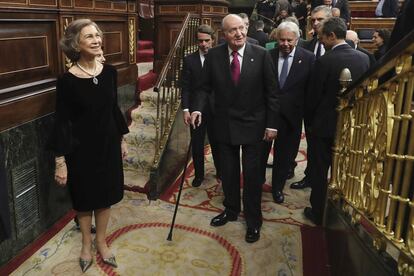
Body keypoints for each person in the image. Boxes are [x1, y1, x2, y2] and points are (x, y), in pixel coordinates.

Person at [190, 14, 280, 243]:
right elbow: (202, 88)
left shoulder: (261, 55)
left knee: (251, 177)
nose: (239, 34)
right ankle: (230, 209)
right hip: (224, 125)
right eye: (233, 30)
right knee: (228, 174)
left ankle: (253, 220)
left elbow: (272, 93)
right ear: (224, 34)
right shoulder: (214, 56)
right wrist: (198, 109)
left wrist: (271, 124)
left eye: (241, 28)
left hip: (254, 126)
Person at [50, 19, 129, 272]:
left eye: (97, 35)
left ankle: (101, 241)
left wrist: (122, 139)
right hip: (80, 150)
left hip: (107, 145)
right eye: (89, 37)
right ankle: (86, 243)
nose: (96, 40)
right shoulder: (67, 81)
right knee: (84, 199)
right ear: (76, 44)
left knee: (105, 196)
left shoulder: (110, 73)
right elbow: (62, 121)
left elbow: (113, 110)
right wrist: (60, 161)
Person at [304, 17, 369, 225]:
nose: (320, 41)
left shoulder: (325, 61)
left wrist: (310, 121)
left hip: (324, 127)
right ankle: (342, 211)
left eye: (322, 37)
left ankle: (318, 212)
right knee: (346, 170)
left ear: (332, 36)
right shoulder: (364, 58)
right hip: (352, 126)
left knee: (320, 170)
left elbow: (313, 96)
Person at [263, 22, 315, 204]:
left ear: (297, 39)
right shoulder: (267, 55)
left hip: (292, 117)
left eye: (289, 40)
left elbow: (310, 90)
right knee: (261, 153)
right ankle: (258, 182)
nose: (285, 43)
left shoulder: (308, 58)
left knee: (283, 157)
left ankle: (277, 187)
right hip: (267, 115)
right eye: (281, 39)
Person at [181, 24, 220, 187]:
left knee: (218, 143)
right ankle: (199, 174)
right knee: (197, 144)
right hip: (196, 111)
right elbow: (186, 87)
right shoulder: (189, 60)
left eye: (206, 41)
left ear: (213, 40)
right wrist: (185, 109)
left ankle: (221, 171)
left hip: (216, 110)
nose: (203, 44)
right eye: (200, 41)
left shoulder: (220, 58)